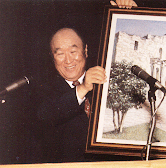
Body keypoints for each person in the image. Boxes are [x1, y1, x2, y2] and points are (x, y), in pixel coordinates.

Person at [35, 1, 137, 163]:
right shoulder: (42, 90)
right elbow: (45, 116)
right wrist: (82, 88)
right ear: (52, 57)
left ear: (86, 51)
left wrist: (130, 13)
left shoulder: (105, 79)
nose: (68, 60)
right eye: (60, 53)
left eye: (73, 51)